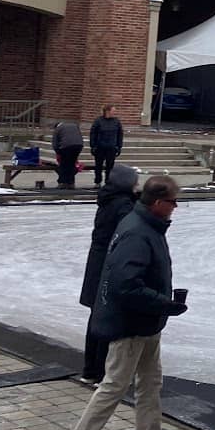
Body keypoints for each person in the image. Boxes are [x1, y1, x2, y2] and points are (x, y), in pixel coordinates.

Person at [60, 175, 188, 430]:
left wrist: (160, 307)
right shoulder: (137, 232)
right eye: (173, 202)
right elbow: (125, 286)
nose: (175, 207)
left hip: (146, 323)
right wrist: (163, 303)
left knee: (150, 385)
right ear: (158, 203)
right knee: (114, 386)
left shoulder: (145, 225)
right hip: (129, 323)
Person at [76, 163, 138, 383]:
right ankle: (101, 372)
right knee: (108, 318)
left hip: (97, 262)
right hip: (108, 265)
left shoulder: (108, 199)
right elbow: (129, 233)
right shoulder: (123, 206)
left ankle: (90, 370)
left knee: (97, 316)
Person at [89, 104, 124, 189]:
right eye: (113, 111)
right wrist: (93, 146)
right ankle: (97, 181)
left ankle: (108, 181)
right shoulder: (98, 121)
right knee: (98, 165)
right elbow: (93, 133)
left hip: (111, 147)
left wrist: (119, 146)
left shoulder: (116, 121)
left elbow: (120, 134)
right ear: (107, 111)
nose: (114, 113)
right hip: (100, 147)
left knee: (110, 166)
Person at [52, 118, 84, 190]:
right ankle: (71, 183)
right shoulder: (74, 125)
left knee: (64, 165)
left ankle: (62, 183)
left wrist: (58, 152)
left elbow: (55, 143)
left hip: (66, 146)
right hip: (78, 146)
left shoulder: (58, 129)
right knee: (72, 164)